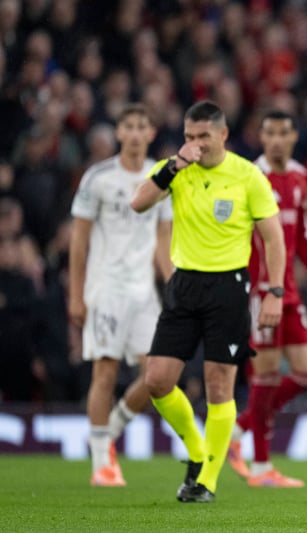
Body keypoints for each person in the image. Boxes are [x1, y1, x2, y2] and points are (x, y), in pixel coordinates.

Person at [130, 100, 286, 503]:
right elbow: (139, 202)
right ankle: (198, 452)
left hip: (228, 287)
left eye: (203, 136)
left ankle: (207, 482)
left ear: (223, 135)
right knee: (157, 380)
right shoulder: (176, 169)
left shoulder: (247, 176)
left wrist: (275, 292)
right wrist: (173, 165)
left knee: (220, 383)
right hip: (183, 284)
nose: (195, 143)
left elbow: (273, 239)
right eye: (189, 136)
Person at [225, 110, 307, 487]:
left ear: (293, 138)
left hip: (288, 290)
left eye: (283, 133)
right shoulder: (249, 178)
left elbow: (303, 234)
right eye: (270, 133)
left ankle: (240, 428)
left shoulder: (298, 176)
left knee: (306, 374)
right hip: (260, 292)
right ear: (261, 138)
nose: (276, 140)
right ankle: (261, 467)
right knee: (265, 376)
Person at [68, 103, 173, 487]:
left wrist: (174, 287)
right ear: (119, 132)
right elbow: (79, 240)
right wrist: (76, 294)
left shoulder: (161, 176)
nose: (135, 133)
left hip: (144, 292)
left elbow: (163, 239)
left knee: (158, 375)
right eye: (128, 126)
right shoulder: (98, 177)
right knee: (106, 371)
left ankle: (109, 430)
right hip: (106, 288)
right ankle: (102, 464)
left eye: (142, 126)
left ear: (151, 133)